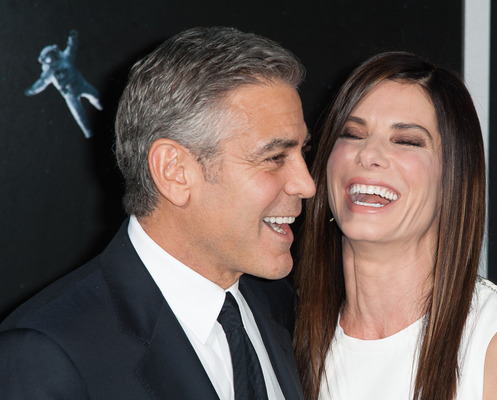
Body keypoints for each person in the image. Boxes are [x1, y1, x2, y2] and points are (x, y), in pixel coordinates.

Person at [0, 26, 314, 399]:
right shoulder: (47, 356)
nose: (306, 185)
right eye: (274, 157)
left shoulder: (281, 307)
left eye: (302, 153)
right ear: (174, 172)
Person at [293, 51, 497, 400]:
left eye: (406, 141)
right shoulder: (280, 335)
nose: (368, 154)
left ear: (453, 177)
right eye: (351, 133)